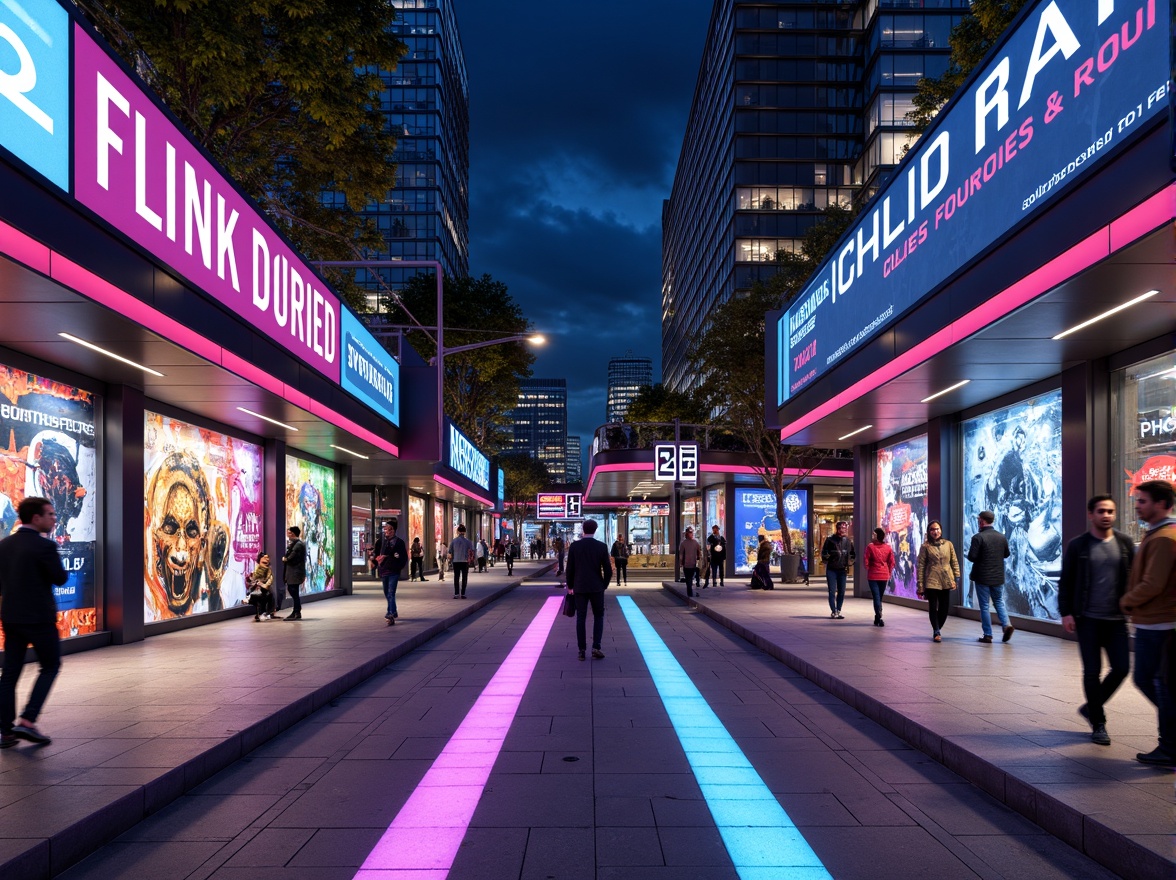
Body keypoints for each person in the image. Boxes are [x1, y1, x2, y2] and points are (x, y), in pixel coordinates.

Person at [1058, 495, 1134, 746]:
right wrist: (1066, 612)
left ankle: (1091, 706)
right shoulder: (1079, 545)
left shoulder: (1124, 543)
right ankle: (1099, 723)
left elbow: (1133, 577)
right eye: (1101, 511)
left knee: (1122, 668)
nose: (1107, 515)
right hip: (1087, 619)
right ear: (1091, 514)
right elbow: (1066, 581)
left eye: (1110, 511)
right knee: (1092, 671)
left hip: (1116, 620)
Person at [0, 497, 68, 748]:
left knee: (10, 674)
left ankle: (5, 732)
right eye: (50, 514)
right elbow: (60, 578)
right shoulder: (44, 547)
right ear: (36, 518)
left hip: (11, 617)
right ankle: (28, 720)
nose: (54, 518)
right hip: (39, 618)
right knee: (50, 666)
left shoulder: (4, 545)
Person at [1120, 480, 1176, 766]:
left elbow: (1153, 584)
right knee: (1158, 683)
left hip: (1159, 624)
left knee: (1154, 681)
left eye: (1143, 501)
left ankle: (1170, 746)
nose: (1137, 506)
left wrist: (1126, 601)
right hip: (1155, 622)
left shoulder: (1165, 537)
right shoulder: (1158, 534)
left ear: (1162, 504)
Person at [566, 519, 612, 661]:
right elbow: (608, 570)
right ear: (595, 529)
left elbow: (570, 569)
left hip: (579, 586)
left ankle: (581, 650)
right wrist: (603, 585)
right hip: (596, 586)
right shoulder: (601, 547)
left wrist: (570, 586)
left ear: (583, 530)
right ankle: (596, 647)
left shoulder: (575, 546)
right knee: (599, 616)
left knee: (581, 617)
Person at [967, 510, 1012, 643]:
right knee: (999, 602)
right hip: (997, 577)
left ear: (981, 521)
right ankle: (1006, 624)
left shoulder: (978, 537)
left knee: (984, 606)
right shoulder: (1001, 537)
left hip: (982, 577)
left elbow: (972, 557)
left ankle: (988, 634)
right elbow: (1006, 554)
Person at [916, 521, 959, 642]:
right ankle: (936, 630)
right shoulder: (926, 547)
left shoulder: (948, 544)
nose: (936, 531)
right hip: (932, 580)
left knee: (944, 608)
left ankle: (937, 627)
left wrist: (957, 577)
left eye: (938, 529)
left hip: (946, 580)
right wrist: (920, 585)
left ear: (941, 530)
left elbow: (954, 561)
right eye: (932, 529)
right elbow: (921, 566)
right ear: (929, 532)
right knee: (933, 606)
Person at [372, 521, 407, 625]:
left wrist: (395, 564)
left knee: (391, 592)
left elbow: (403, 557)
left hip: (393, 571)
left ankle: (390, 613)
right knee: (387, 592)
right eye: (386, 529)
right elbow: (376, 554)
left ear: (394, 530)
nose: (387, 531)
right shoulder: (380, 542)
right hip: (383, 570)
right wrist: (375, 560)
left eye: (390, 529)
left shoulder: (399, 542)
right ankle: (394, 610)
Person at [821, 521, 855, 619]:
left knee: (842, 591)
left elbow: (852, 554)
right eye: (841, 528)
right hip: (832, 569)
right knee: (832, 591)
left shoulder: (848, 541)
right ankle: (833, 610)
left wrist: (849, 562)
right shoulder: (830, 540)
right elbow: (824, 553)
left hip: (842, 570)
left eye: (845, 528)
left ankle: (838, 610)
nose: (843, 530)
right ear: (837, 529)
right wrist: (828, 559)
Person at [864, 527, 895, 627]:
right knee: (879, 597)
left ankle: (879, 615)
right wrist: (889, 572)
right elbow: (892, 562)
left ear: (878, 536)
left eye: (874, 534)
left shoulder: (870, 547)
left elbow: (866, 560)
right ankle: (878, 616)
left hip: (873, 575)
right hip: (884, 575)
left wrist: (868, 567)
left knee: (876, 596)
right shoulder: (888, 547)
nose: (872, 536)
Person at [281, 526, 306, 621]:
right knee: (293, 591)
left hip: (295, 572)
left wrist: (285, 559)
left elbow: (292, 557)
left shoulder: (298, 545)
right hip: (293, 572)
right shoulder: (295, 544)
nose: (288, 535)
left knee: (293, 591)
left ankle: (296, 611)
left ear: (293, 533)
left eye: (289, 533)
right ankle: (296, 611)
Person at [247, 551, 275, 621]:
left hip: (265, 591)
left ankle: (264, 613)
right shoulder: (256, 570)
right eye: (264, 558)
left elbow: (269, 583)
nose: (267, 560)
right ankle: (259, 613)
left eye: (267, 558)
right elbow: (251, 581)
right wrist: (251, 580)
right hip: (255, 590)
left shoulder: (269, 571)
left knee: (265, 596)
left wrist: (262, 584)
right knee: (256, 597)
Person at [448, 524, 474, 599]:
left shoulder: (453, 541)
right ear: (465, 532)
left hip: (456, 561)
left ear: (458, 531)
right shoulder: (468, 541)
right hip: (465, 561)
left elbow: (450, 551)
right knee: (464, 577)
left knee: (456, 577)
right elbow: (472, 550)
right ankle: (463, 593)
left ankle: (456, 593)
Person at [679, 527, 702, 598]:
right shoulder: (684, 543)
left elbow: (699, 552)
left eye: (691, 533)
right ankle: (690, 591)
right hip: (687, 564)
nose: (691, 534)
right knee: (688, 578)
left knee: (689, 578)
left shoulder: (695, 543)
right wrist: (681, 562)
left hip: (692, 563)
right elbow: (681, 554)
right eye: (690, 533)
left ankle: (690, 591)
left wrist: (699, 560)